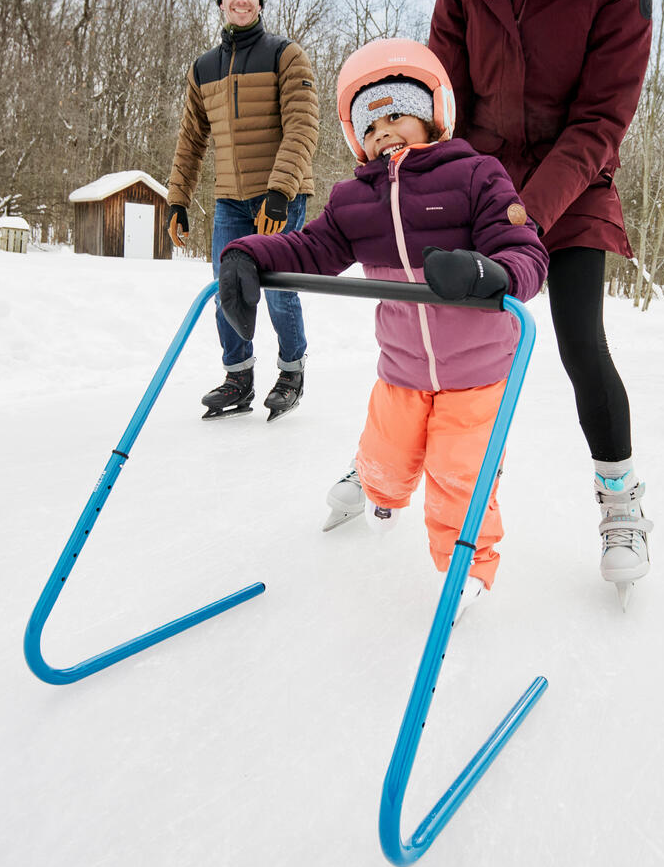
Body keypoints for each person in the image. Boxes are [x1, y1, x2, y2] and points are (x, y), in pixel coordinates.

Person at [328, 0, 655, 599]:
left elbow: (599, 119)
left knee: (580, 341)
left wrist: (524, 210)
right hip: (472, 175)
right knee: (421, 316)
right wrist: (443, 183)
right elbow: (444, 90)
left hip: (573, 185)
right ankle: (381, 467)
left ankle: (618, 498)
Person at [218, 39, 548, 614]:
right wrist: (249, 253)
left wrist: (490, 272)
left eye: (397, 114)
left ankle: (465, 568)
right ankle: (380, 496)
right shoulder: (354, 199)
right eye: (371, 124)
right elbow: (310, 247)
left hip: (478, 372)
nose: (384, 130)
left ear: (430, 117)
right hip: (401, 369)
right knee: (386, 458)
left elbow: (525, 248)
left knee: (460, 473)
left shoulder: (476, 176)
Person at [166, 0, 319, 422]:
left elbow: (303, 125)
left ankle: (291, 371)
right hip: (230, 200)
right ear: (220, 3)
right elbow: (191, 140)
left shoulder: (284, 54)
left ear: (259, 0)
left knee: (276, 288)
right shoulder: (203, 68)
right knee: (225, 288)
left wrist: (280, 188)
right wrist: (177, 199)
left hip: (280, 195)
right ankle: (238, 377)